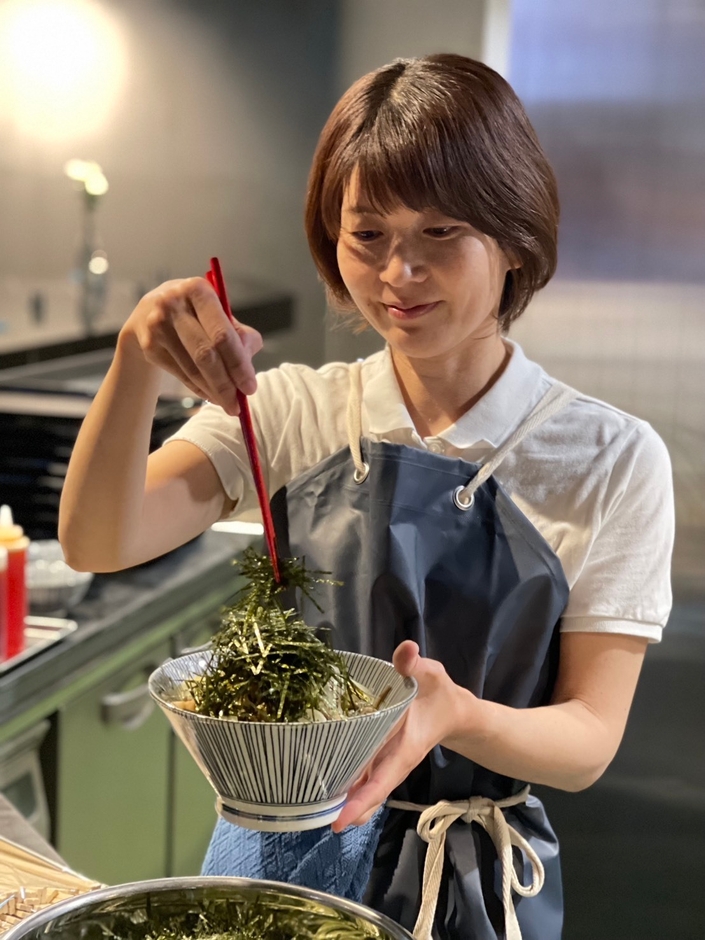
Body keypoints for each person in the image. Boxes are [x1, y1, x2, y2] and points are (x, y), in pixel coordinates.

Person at [59, 54, 674, 940]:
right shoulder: (297, 410)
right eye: (368, 235)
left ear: (512, 239)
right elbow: (96, 541)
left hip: (469, 877)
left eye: (439, 234)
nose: (398, 272)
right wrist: (133, 367)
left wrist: (454, 715)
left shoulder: (608, 458)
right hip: (275, 859)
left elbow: (586, 739)